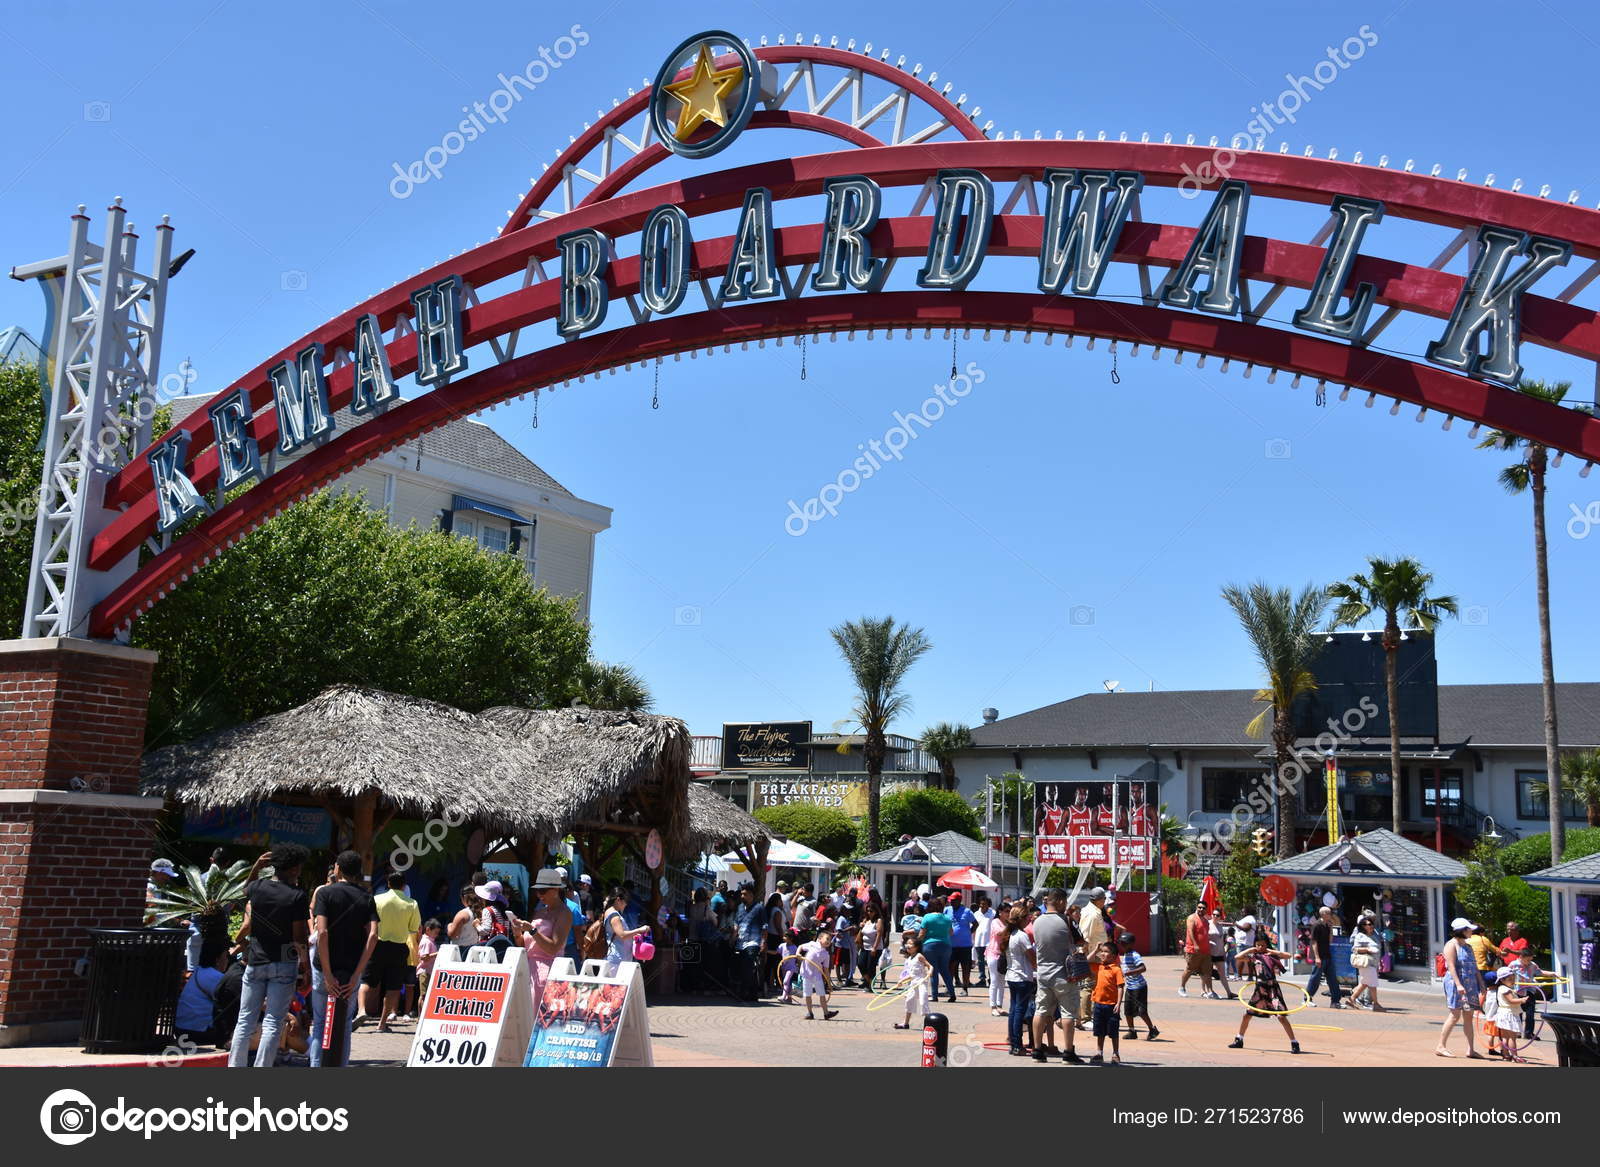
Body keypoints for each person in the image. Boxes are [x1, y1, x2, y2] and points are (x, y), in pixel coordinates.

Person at [227, 843, 311, 1068]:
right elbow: (299, 938)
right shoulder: (297, 896)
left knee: (245, 1020)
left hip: (255, 961)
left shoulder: (258, 888)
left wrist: (256, 867)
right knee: (273, 1022)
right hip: (283, 964)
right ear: (293, 868)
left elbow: (244, 890)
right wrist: (306, 968)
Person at [310, 850, 377, 1068]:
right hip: (351, 971)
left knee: (320, 1024)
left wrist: (328, 973)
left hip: (324, 969)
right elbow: (373, 936)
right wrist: (358, 973)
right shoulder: (367, 897)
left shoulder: (325, 893)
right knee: (345, 1025)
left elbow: (322, 933)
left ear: (337, 868)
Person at [1031, 889, 1086, 1064]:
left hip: (1043, 974)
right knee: (1068, 1013)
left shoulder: (1036, 921)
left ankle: (1037, 1051)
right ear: (1060, 901)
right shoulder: (1067, 920)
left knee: (1040, 1011)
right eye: (1065, 902)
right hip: (1064, 975)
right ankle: (1068, 1053)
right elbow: (1081, 941)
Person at [361, 872, 420, 1032]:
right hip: (398, 947)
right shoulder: (412, 903)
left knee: (366, 981)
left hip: (377, 945)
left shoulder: (376, 899)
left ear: (388, 884)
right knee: (393, 986)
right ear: (404, 886)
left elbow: (367, 921)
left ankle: (361, 1010)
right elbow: (413, 928)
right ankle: (382, 1023)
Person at [1229, 934, 1301, 1053]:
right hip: (1260, 990)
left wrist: (1272, 951)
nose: (1260, 947)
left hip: (1272, 989)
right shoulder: (1253, 956)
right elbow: (1237, 957)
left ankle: (1294, 1043)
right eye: (1258, 945)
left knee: (1281, 1016)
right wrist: (1250, 950)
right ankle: (1239, 1039)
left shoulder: (1271, 956)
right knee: (1247, 1014)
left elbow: (1288, 955)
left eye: (1263, 945)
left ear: (1266, 944)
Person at [514, 868, 573, 1008]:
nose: (539, 895)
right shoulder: (540, 912)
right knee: (524, 1014)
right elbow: (525, 946)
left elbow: (554, 948)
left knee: (538, 1015)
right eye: (537, 891)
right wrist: (517, 933)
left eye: (543, 890)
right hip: (528, 969)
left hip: (548, 972)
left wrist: (532, 930)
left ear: (556, 890)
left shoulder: (564, 913)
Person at [1436, 917, 1485, 1059]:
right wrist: (1458, 984)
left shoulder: (1468, 946)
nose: (1471, 932)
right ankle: (1441, 1046)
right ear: (1462, 930)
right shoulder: (1451, 945)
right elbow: (1451, 966)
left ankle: (1471, 1049)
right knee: (1455, 1015)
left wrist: (1481, 983)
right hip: (1455, 983)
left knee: (1468, 1016)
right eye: (1469, 929)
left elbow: (1475, 967)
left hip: (1470, 984)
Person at [175, 942, 231, 1046]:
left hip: (181, 1028)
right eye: (226, 956)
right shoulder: (215, 976)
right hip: (197, 1031)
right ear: (217, 960)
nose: (228, 960)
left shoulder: (199, 971)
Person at [1003, 908, 1036, 1055]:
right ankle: (1017, 1045)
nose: (1029, 919)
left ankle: (1013, 1044)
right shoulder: (1022, 936)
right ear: (1021, 919)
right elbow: (1032, 957)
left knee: (1013, 1010)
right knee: (1019, 1011)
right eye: (1027, 917)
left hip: (1012, 976)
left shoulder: (1010, 934)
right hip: (1022, 977)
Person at [1088, 940, 1125, 1064]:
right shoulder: (1099, 966)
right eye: (1102, 952)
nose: (1102, 954)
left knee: (1113, 1031)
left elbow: (1120, 987)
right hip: (1098, 1004)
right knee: (1100, 1031)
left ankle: (1115, 1053)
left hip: (1112, 1006)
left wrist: (1118, 1003)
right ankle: (1099, 1053)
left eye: (1106, 952)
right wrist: (1096, 949)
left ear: (1113, 956)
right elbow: (1087, 960)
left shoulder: (1116, 970)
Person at [1078, 887, 1110, 1025]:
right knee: (1088, 985)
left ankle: (1088, 1016)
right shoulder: (1092, 914)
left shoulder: (1094, 911)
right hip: (1093, 955)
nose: (1105, 901)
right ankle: (1085, 1018)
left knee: (1094, 985)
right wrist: (1086, 956)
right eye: (1104, 899)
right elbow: (1086, 936)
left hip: (1096, 954)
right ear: (1098, 900)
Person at [1118, 932, 1159, 1040]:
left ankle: (1152, 1029)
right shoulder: (1125, 954)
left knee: (1141, 1011)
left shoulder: (1135, 955)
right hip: (1130, 987)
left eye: (1125, 943)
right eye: (1121, 943)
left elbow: (1143, 968)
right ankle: (1132, 1031)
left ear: (1131, 944)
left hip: (1139, 987)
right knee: (1127, 1011)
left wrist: (1129, 973)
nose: (1122, 945)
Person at [917, 895, 957, 1003]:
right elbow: (951, 933)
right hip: (946, 946)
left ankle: (934, 995)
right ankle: (952, 993)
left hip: (930, 946)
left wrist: (916, 940)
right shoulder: (947, 918)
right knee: (945, 970)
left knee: (933, 970)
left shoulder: (927, 917)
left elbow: (922, 934)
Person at [730, 885, 768, 999]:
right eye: (741, 894)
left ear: (751, 895)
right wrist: (733, 938)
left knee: (747, 966)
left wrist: (763, 942)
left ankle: (744, 992)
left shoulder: (759, 908)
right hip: (740, 943)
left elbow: (765, 927)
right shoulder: (740, 907)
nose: (742, 896)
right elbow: (736, 924)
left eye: (745, 894)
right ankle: (753, 993)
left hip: (753, 942)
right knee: (742, 968)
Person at [604, 888, 651, 978]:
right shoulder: (614, 915)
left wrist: (633, 934)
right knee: (617, 985)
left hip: (618, 957)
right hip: (618, 958)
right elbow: (622, 935)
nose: (626, 904)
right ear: (618, 900)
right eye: (625, 901)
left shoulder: (610, 912)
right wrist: (640, 930)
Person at [1304, 907, 1343, 1009]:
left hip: (1327, 954)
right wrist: (1317, 957)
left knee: (1332, 979)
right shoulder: (1316, 925)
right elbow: (1314, 942)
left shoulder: (1327, 925)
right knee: (1315, 978)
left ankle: (1335, 1001)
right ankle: (1307, 999)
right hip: (1319, 956)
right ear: (1323, 914)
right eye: (1329, 913)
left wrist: (1331, 929)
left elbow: (1330, 941)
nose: (1331, 915)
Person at [1489, 966, 1529, 1062]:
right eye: (1510, 979)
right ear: (1502, 980)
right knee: (1512, 1037)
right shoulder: (1505, 989)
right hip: (1509, 1015)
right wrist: (1522, 1000)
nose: (1512, 981)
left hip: (1504, 1014)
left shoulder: (1502, 988)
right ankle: (1515, 1056)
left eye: (1513, 978)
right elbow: (1511, 1000)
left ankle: (1506, 1055)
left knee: (1505, 1036)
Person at [894, 936, 934, 1031]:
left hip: (921, 982)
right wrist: (901, 981)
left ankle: (930, 1024)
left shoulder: (919, 956)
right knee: (909, 1001)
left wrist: (930, 971)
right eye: (907, 943)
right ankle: (905, 1023)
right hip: (913, 983)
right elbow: (910, 975)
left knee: (923, 1002)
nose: (908, 945)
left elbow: (930, 966)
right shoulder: (908, 959)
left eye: (911, 944)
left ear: (916, 947)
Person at [797, 928, 837, 1020]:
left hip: (817, 975)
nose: (829, 941)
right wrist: (798, 953)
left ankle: (826, 1013)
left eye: (830, 940)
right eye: (827, 939)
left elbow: (826, 970)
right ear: (819, 939)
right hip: (807, 974)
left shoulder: (826, 954)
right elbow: (801, 946)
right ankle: (810, 1013)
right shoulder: (812, 944)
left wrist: (829, 983)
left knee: (822, 994)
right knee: (807, 994)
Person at [1348, 917, 1386, 1011]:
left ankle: (1352, 998)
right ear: (1362, 926)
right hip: (1366, 962)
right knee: (1372, 983)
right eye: (1366, 924)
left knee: (1365, 983)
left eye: (1370, 924)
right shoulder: (1360, 936)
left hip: (1374, 962)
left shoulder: (1375, 935)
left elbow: (1379, 948)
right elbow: (1355, 949)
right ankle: (1376, 1004)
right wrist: (1367, 949)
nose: (1369, 926)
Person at [1179, 903, 1215, 998]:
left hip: (1206, 950)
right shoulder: (1192, 918)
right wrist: (1195, 944)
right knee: (1190, 969)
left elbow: (1205, 934)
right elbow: (1190, 932)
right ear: (1196, 908)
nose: (1201, 909)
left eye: (1203, 908)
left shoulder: (1206, 921)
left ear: (1206, 910)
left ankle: (1210, 992)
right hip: (1193, 950)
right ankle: (1182, 987)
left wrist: (1209, 944)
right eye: (1199, 907)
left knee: (1207, 972)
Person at [945, 892, 977, 995]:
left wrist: (969, 932)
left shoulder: (967, 911)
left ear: (959, 901)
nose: (952, 902)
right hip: (951, 945)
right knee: (950, 967)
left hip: (965, 945)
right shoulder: (947, 910)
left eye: (954, 900)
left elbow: (975, 924)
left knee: (965, 968)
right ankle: (949, 988)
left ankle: (965, 988)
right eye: (951, 900)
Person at [1206, 905, 1237, 999]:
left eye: (1217, 915)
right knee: (1207, 973)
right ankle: (1208, 991)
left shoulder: (1220, 926)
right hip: (1209, 953)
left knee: (1222, 974)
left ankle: (1229, 992)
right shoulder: (1207, 924)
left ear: (1220, 917)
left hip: (1219, 953)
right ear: (1211, 915)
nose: (1215, 916)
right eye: (1214, 914)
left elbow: (1222, 941)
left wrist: (1224, 952)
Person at [984, 897, 1008, 1016]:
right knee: (994, 980)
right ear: (1000, 912)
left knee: (1002, 981)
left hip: (1004, 955)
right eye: (1006, 911)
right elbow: (1000, 933)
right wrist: (1011, 926)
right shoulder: (995, 922)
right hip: (993, 953)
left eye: (1010, 911)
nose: (1008, 914)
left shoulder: (1008, 923)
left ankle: (999, 1005)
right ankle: (993, 1006)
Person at [1466, 923, 1504, 990]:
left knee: (1472, 988)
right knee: (1482, 988)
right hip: (1481, 967)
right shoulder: (1483, 939)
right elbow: (1496, 950)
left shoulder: (1466, 939)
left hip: (1469, 968)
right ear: (1481, 932)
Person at [857, 902, 887, 988]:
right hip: (864, 947)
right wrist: (861, 926)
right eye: (868, 911)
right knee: (860, 964)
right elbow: (862, 932)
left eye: (871, 911)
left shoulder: (878, 921)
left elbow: (879, 934)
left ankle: (870, 985)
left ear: (876, 911)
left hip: (875, 948)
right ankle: (868, 981)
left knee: (870, 966)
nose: (869, 912)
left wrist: (874, 948)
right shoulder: (866, 920)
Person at [416, 919, 442, 1003]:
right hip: (425, 972)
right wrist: (437, 953)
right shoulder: (426, 942)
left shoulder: (430, 941)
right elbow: (423, 957)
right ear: (428, 930)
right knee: (424, 996)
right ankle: (422, 1011)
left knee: (426, 995)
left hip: (428, 971)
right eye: (435, 932)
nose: (437, 935)